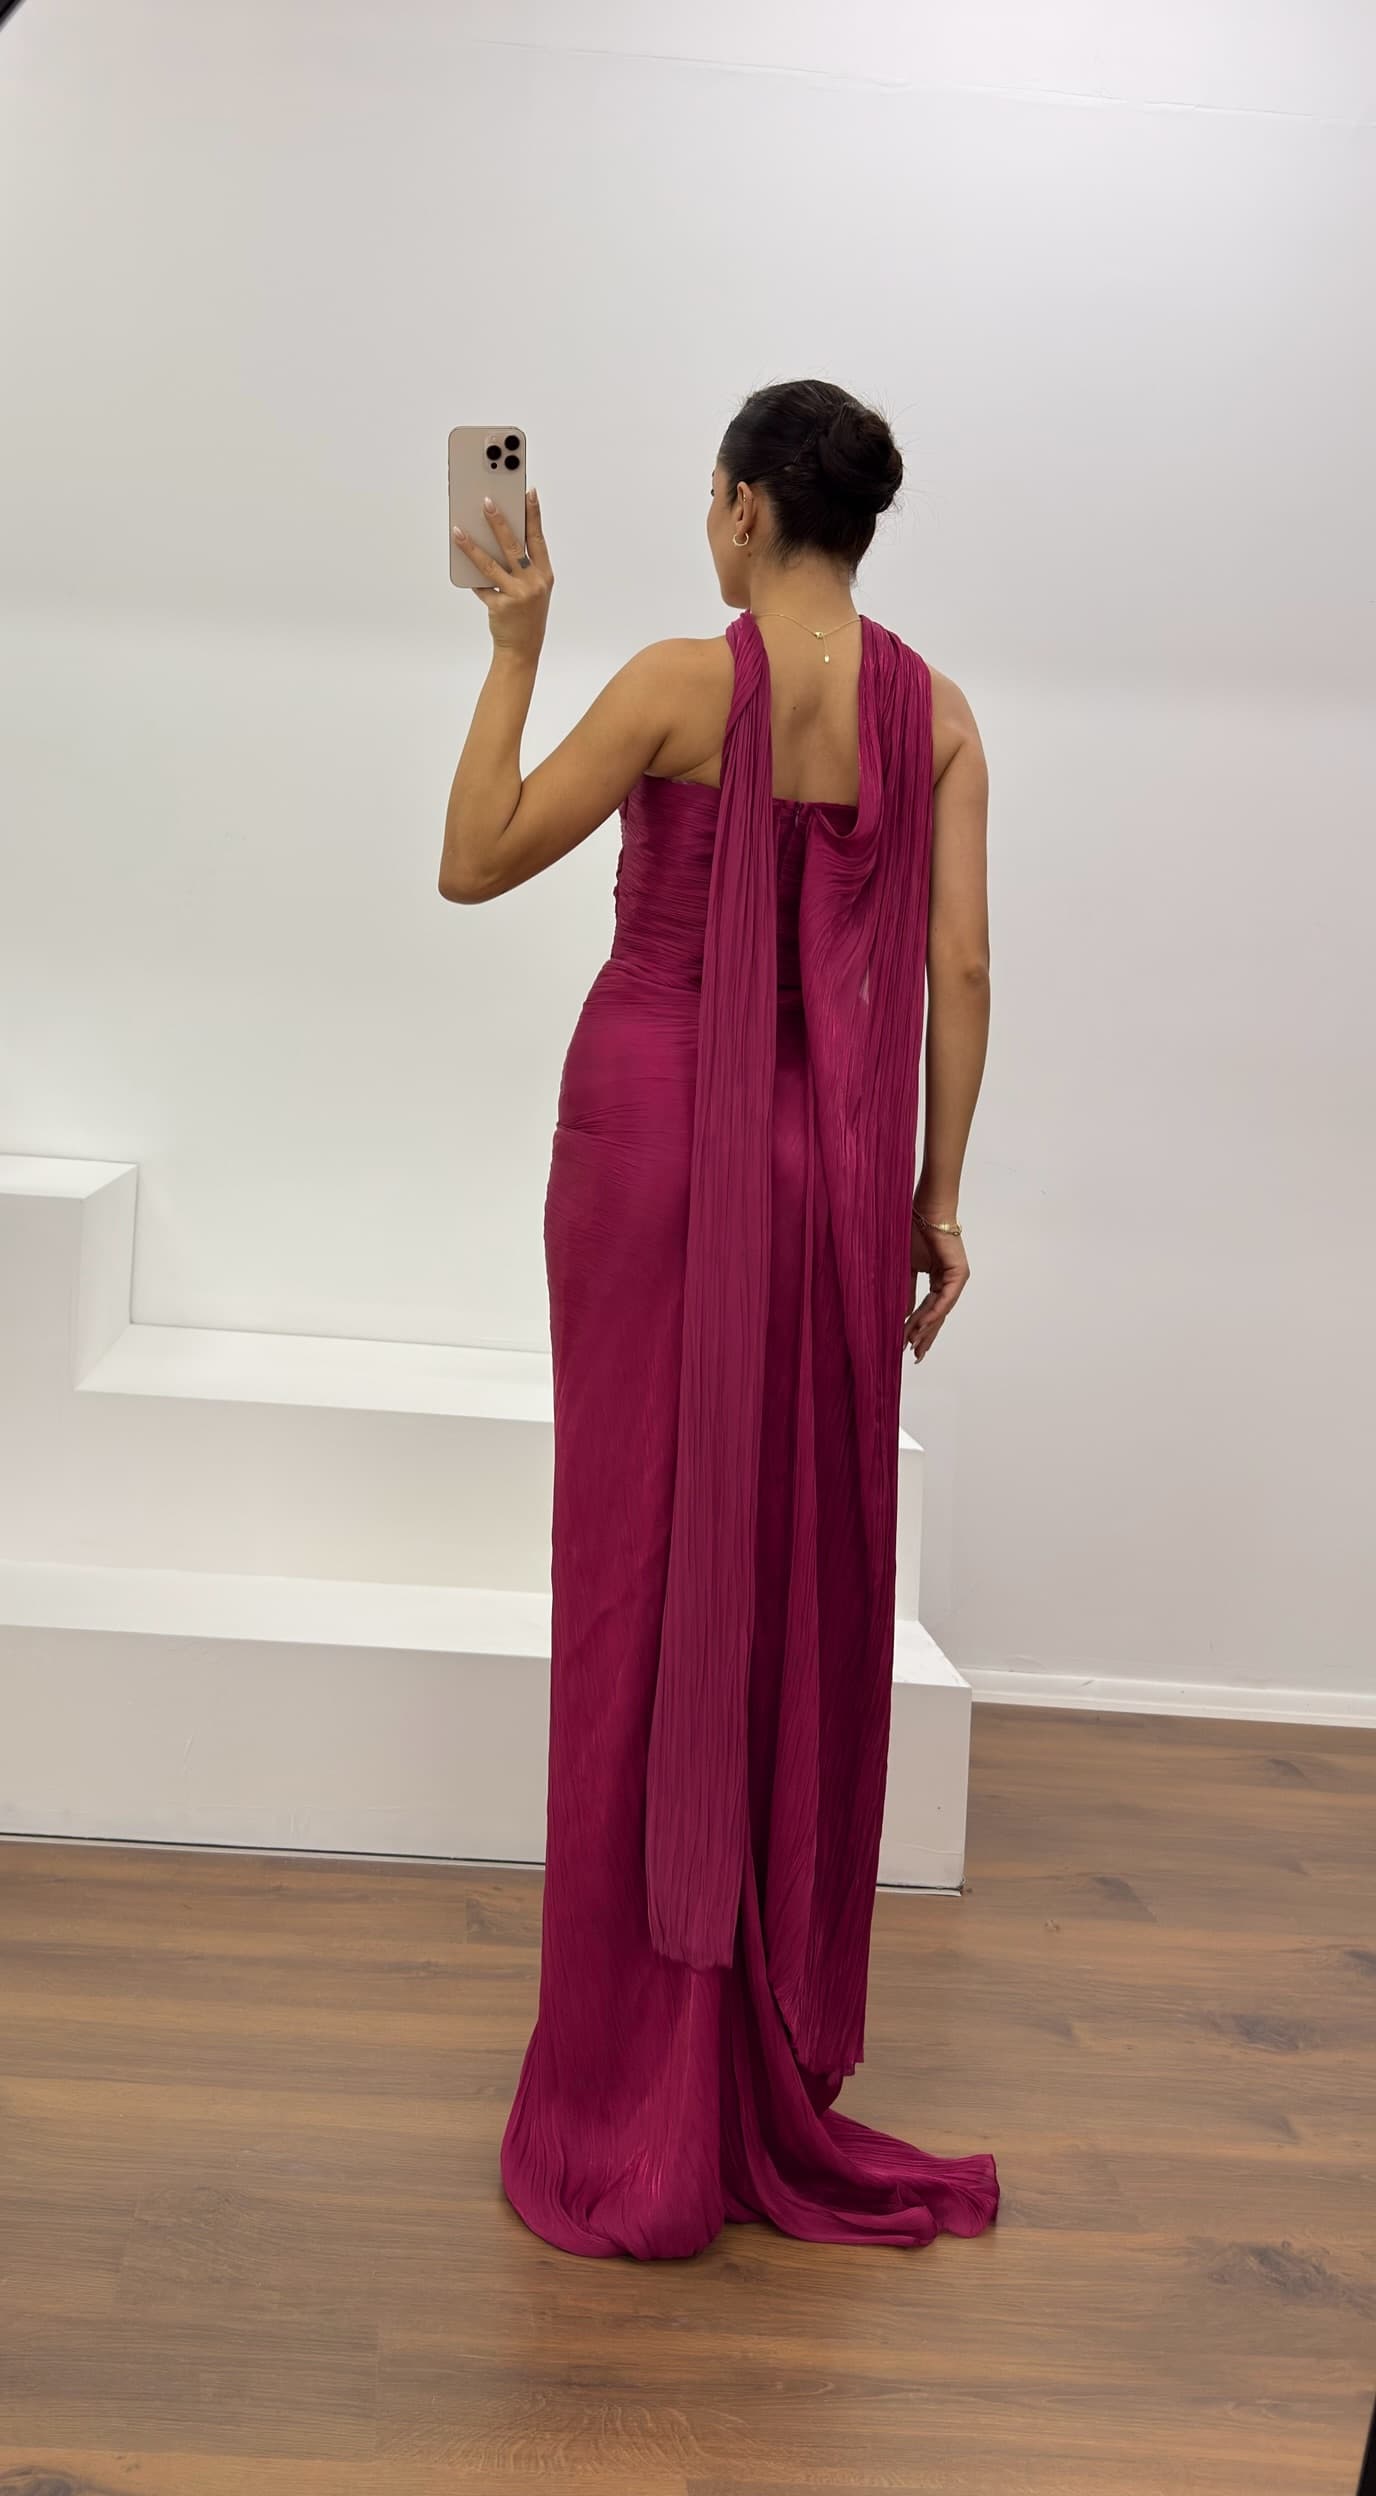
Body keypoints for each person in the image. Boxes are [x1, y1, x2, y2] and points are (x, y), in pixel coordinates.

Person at [439, 378, 998, 2260]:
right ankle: (747, 2040)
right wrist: (931, 1198)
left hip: (651, 1143)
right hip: (820, 1177)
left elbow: (476, 853)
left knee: (630, 1570)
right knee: (767, 1583)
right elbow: (962, 968)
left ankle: (630, 2072)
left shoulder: (681, 685)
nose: (708, 527)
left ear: (750, 510)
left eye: (712, 500)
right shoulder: (940, 721)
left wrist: (515, 647)